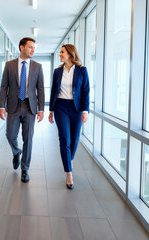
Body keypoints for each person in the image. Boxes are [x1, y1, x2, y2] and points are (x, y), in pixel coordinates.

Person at [0, 37, 45, 182]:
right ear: (21, 47)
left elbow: (40, 89)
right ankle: (16, 152)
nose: (33, 50)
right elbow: (4, 86)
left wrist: (41, 109)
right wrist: (1, 106)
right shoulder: (9, 65)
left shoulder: (37, 67)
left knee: (28, 139)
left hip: (30, 107)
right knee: (10, 135)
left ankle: (25, 169)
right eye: (30, 47)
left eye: (34, 48)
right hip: (13, 105)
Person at [48, 44, 90, 190]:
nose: (60, 55)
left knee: (74, 139)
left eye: (62, 52)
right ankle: (69, 173)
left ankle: (68, 160)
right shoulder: (57, 71)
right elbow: (54, 90)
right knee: (65, 139)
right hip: (61, 107)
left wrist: (86, 111)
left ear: (70, 55)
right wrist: (51, 110)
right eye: (60, 52)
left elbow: (86, 91)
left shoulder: (81, 70)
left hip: (76, 109)